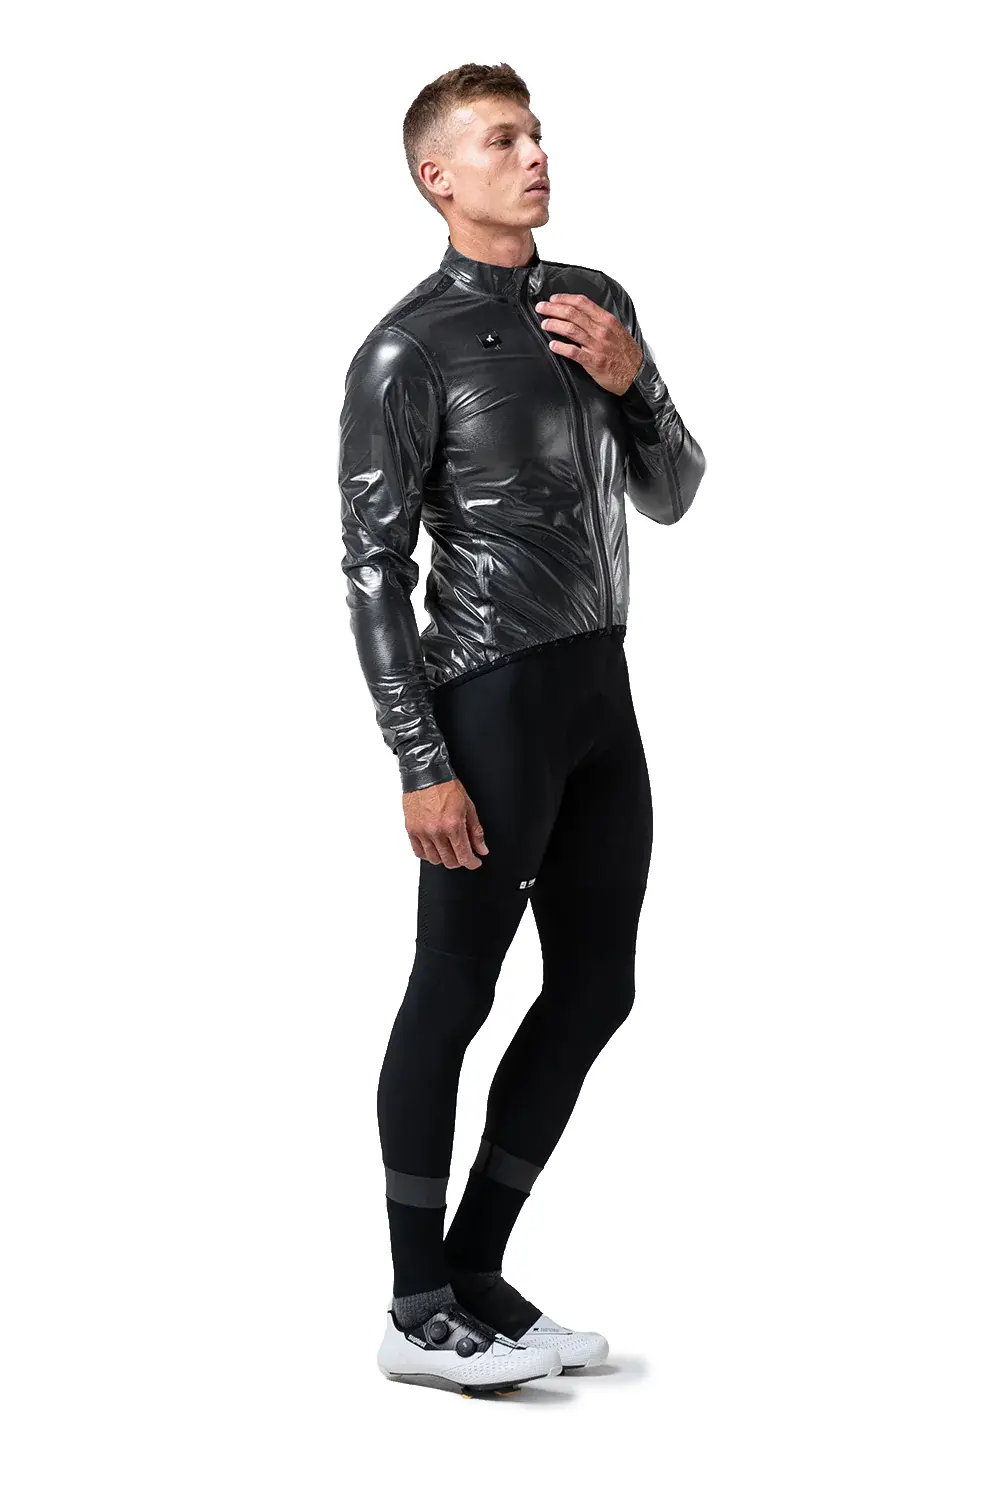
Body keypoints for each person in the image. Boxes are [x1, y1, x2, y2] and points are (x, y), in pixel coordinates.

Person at [338, 61, 705, 1396]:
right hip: (488, 700)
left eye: (537, 132)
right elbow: (371, 569)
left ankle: (475, 1274)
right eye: (502, 140)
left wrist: (636, 380)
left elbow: (674, 490)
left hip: (602, 693)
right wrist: (419, 760)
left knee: (598, 987)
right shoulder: (406, 348)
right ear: (438, 177)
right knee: (455, 989)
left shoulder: (594, 306)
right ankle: (413, 1305)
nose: (535, 153)